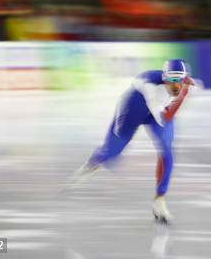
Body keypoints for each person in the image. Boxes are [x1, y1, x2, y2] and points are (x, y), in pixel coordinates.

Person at [69, 59, 194, 223]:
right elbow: (165, 117)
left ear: (184, 79)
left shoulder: (188, 85)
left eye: (179, 81)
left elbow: (169, 113)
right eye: (171, 81)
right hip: (134, 107)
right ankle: (92, 162)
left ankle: (160, 201)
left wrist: (184, 94)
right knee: (112, 153)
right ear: (164, 79)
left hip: (160, 111)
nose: (175, 86)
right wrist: (183, 95)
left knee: (167, 153)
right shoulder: (151, 87)